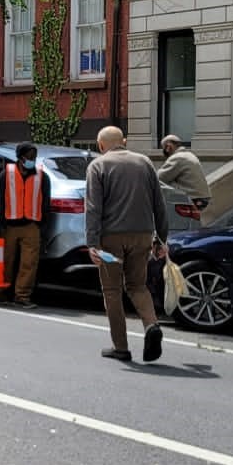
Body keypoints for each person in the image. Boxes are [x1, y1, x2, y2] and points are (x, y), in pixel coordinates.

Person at [85, 125, 171, 363]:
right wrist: (162, 238)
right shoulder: (144, 162)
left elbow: (93, 208)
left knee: (112, 291)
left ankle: (120, 347)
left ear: (100, 145)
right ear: (124, 141)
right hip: (142, 235)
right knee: (138, 286)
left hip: (111, 238)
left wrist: (92, 243)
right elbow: (159, 204)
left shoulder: (98, 165)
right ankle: (151, 324)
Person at [0, 142, 52, 308]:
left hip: (32, 226)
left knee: (29, 263)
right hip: (9, 226)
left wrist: (42, 227)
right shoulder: (6, 175)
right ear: (20, 158)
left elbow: (45, 204)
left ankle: (22, 296)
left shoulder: (42, 176)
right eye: (29, 157)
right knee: (4, 262)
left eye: (34, 157)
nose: (32, 160)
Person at [157, 134, 210, 214]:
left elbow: (158, 178)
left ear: (168, 146)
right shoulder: (189, 155)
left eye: (164, 149)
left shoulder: (177, 158)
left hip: (193, 199)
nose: (165, 153)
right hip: (202, 198)